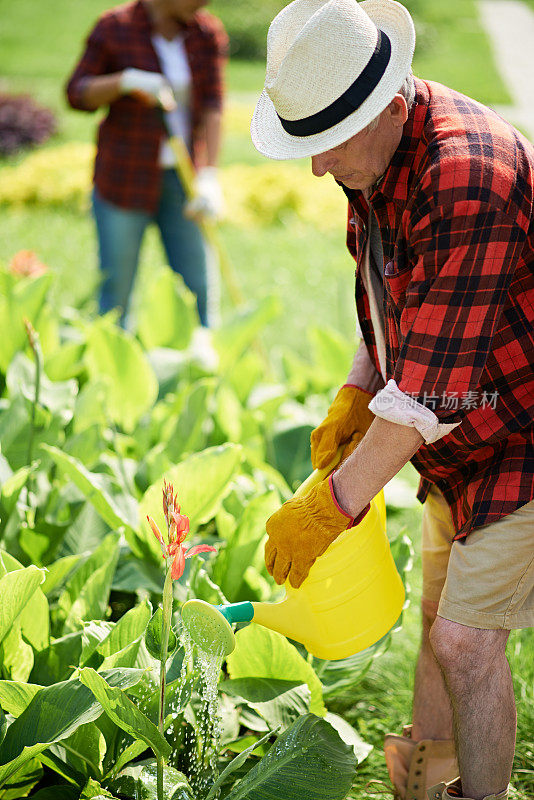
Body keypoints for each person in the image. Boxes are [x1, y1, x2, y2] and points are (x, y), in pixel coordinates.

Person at [252, 2, 534, 799]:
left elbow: (433, 389)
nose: (313, 169)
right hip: (467, 430)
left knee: (467, 645)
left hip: (521, 431)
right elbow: (394, 311)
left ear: (391, 108)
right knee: (439, 628)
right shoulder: (374, 158)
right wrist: (353, 391)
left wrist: (327, 508)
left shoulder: (467, 177)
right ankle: (425, 782)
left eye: (321, 146)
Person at [66, 0, 228, 327]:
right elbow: (77, 93)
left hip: (183, 180)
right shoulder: (114, 26)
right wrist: (123, 81)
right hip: (123, 179)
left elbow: (213, 105)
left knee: (197, 285)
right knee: (116, 290)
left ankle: (201, 366)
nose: (206, 2)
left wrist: (209, 174)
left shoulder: (205, 32)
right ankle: (114, 366)